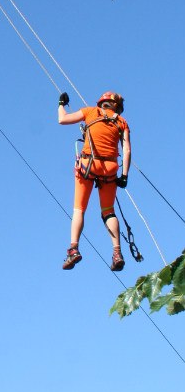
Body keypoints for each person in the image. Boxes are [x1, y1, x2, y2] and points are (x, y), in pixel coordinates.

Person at [57, 90, 131, 272]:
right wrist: (124, 176)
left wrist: (61, 103)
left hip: (88, 165)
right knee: (108, 212)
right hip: (110, 169)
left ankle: (73, 249)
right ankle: (117, 252)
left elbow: (63, 119)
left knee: (79, 209)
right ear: (117, 107)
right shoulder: (121, 122)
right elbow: (127, 150)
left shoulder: (90, 112)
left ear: (101, 103)